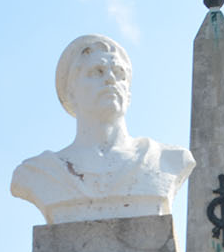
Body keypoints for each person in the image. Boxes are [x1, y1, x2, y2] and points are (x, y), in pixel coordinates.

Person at [11, 34, 194, 224]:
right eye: (97, 72)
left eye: (119, 73)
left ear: (129, 94)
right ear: (71, 92)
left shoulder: (166, 160)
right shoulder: (40, 171)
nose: (110, 79)